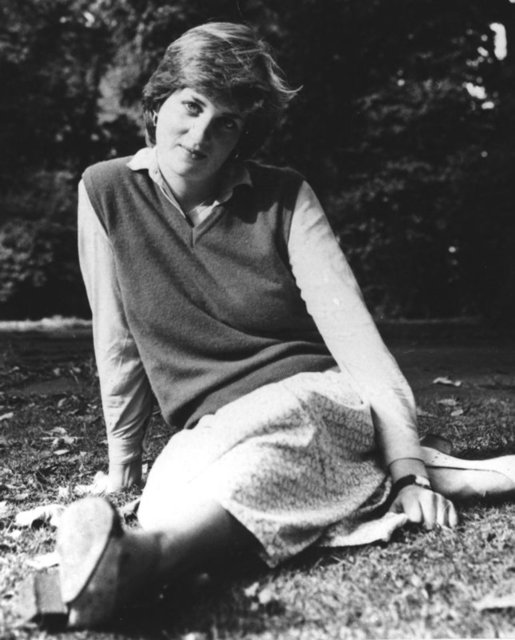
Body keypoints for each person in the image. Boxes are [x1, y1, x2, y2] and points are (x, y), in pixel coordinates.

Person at [55, 21, 514, 628]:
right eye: (191, 106)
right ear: (158, 101)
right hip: (211, 428)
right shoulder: (105, 190)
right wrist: (124, 463)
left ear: (244, 137)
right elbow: (115, 338)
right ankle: (150, 550)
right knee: (173, 496)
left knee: (276, 441)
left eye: (227, 123)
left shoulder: (286, 197)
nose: (201, 134)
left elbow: (356, 340)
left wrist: (408, 470)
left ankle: (144, 560)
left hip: (316, 399)